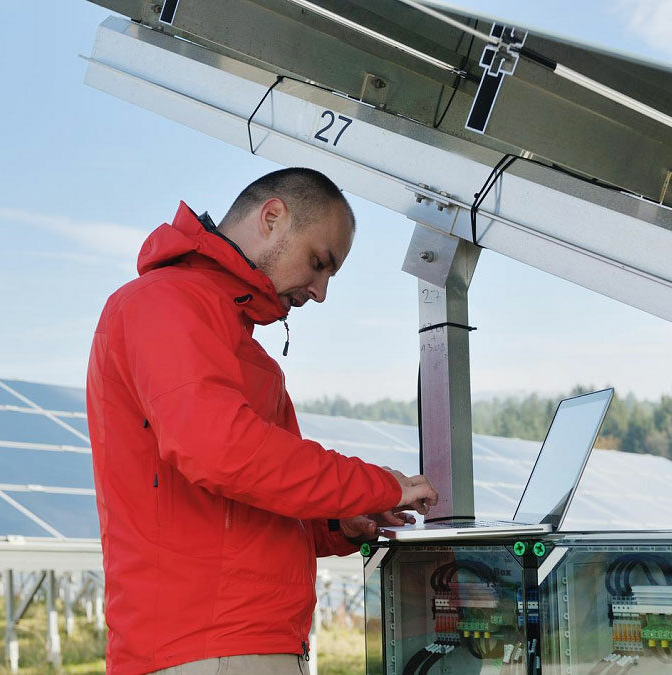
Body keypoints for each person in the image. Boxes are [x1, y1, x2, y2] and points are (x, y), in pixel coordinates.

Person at [86, 167, 439, 675]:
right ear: (272, 217)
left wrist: (337, 523)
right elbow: (222, 452)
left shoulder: (235, 343)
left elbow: (249, 500)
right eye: (319, 263)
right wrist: (375, 485)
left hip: (238, 643)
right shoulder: (165, 302)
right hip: (209, 647)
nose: (320, 292)